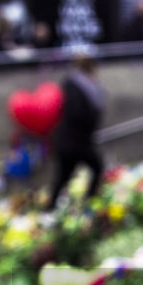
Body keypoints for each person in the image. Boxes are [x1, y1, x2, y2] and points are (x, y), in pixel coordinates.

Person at [48, 55, 106, 209]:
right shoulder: (76, 86)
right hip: (74, 142)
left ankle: (51, 208)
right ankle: (88, 203)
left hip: (74, 141)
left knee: (64, 176)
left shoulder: (81, 85)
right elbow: (78, 113)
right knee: (96, 167)